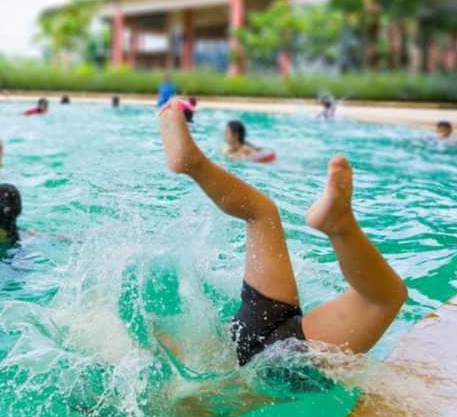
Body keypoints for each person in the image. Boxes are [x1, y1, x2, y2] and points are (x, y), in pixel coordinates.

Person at [157, 100, 406, 366]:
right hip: (259, 337)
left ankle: (341, 226)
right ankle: (195, 165)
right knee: (260, 212)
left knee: (385, 298)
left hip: (267, 362)